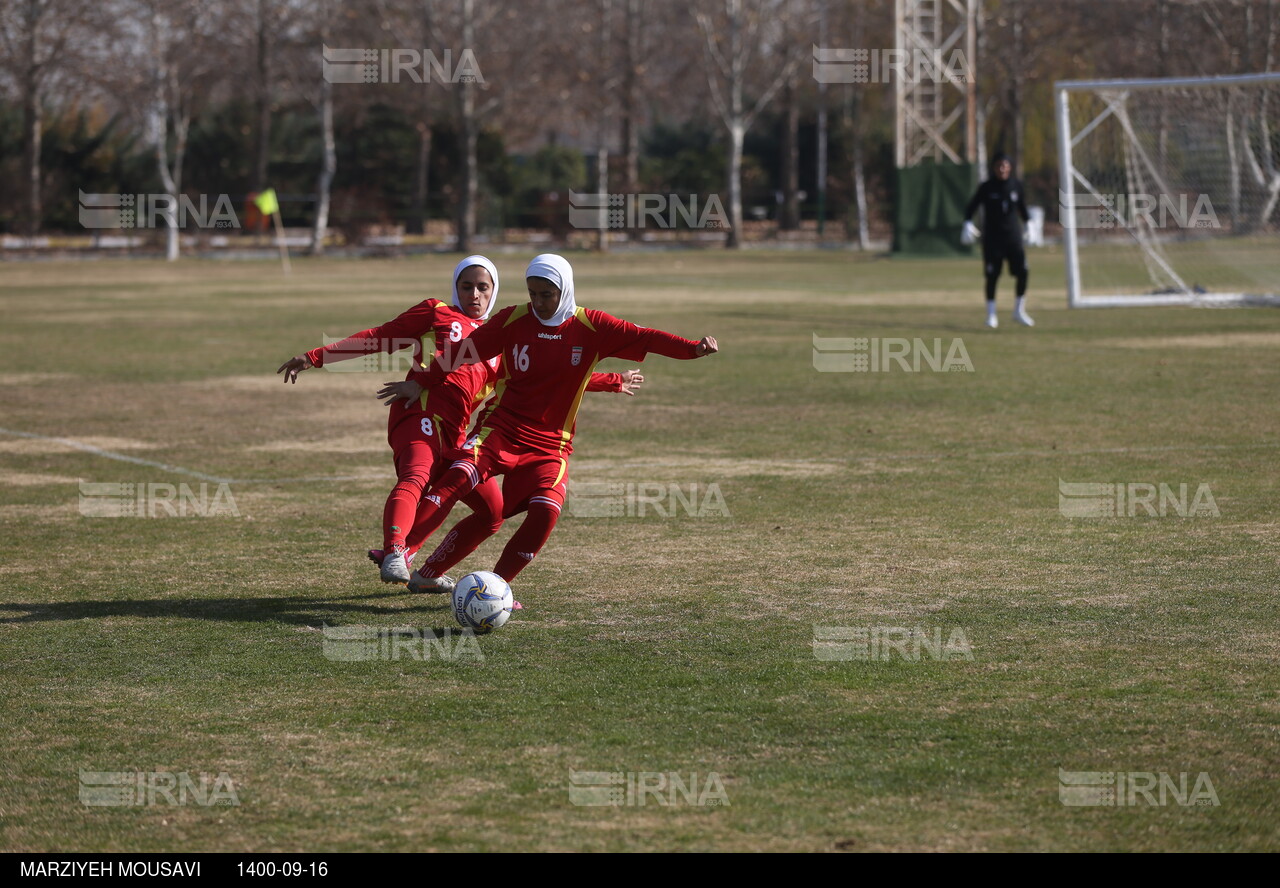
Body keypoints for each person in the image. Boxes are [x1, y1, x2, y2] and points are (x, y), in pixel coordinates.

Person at [276, 255, 641, 585]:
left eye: (484, 287)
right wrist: (316, 357)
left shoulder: (502, 339)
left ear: (495, 291)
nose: (475, 294)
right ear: (456, 287)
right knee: (416, 474)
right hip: (419, 410)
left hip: (456, 436)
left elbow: (554, 375)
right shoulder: (437, 312)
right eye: (467, 286)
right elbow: (379, 338)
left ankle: (428, 574)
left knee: (492, 514)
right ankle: (395, 551)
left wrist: (612, 381)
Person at [401, 253, 718, 596]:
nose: (538, 302)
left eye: (546, 294)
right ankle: (403, 552)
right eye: (532, 293)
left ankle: (497, 589)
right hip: (501, 428)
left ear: (564, 290)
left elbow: (647, 337)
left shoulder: (593, 326)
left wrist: (692, 349)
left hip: (551, 444)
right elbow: (464, 351)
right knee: (460, 475)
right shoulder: (514, 319)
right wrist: (423, 380)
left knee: (546, 512)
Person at [963, 152, 1034, 329]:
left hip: (1013, 238)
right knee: (992, 276)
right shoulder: (986, 187)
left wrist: (1029, 226)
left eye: (1005, 165)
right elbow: (971, 207)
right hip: (992, 240)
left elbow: (1023, 208)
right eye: (999, 166)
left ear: (1010, 167)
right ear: (994, 168)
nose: (1002, 169)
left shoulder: (1016, 185)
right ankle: (991, 315)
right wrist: (967, 223)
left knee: (1023, 271)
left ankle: (1018, 310)